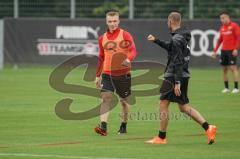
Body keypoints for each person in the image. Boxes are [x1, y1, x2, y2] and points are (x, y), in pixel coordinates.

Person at [145, 11, 217, 144]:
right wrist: (156, 40)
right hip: (183, 75)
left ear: (170, 21)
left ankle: (161, 137)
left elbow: (178, 61)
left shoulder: (177, 38)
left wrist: (177, 82)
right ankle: (208, 127)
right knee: (183, 107)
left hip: (173, 75)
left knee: (163, 103)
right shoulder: (181, 36)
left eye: (168, 21)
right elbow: (171, 48)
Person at [94, 9, 137, 136]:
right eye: (110, 21)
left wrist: (128, 59)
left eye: (115, 21)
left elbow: (133, 50)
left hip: (122, 73)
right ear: (106, 22)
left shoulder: (125, 35)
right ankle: (103, 127)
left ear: (118, 21)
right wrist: (97, 75)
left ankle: (123, 125)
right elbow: (101, 57)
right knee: (105, 98)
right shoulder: (102, 38)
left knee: (123, 102)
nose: (112, 23)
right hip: (107, 73)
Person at [212, 11, 240, 94]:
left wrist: (235, 49)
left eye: (223, 18)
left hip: (231, 50)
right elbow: (220, 40)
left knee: (233, 68)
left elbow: (238, 38)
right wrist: (214, 51)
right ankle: (226, 88)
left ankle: (236, 88)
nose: (222, 20)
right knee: (224, 69)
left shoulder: (234, 26)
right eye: (221, 18)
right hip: (223, 51)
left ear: (228, 17)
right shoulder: (222, 28)